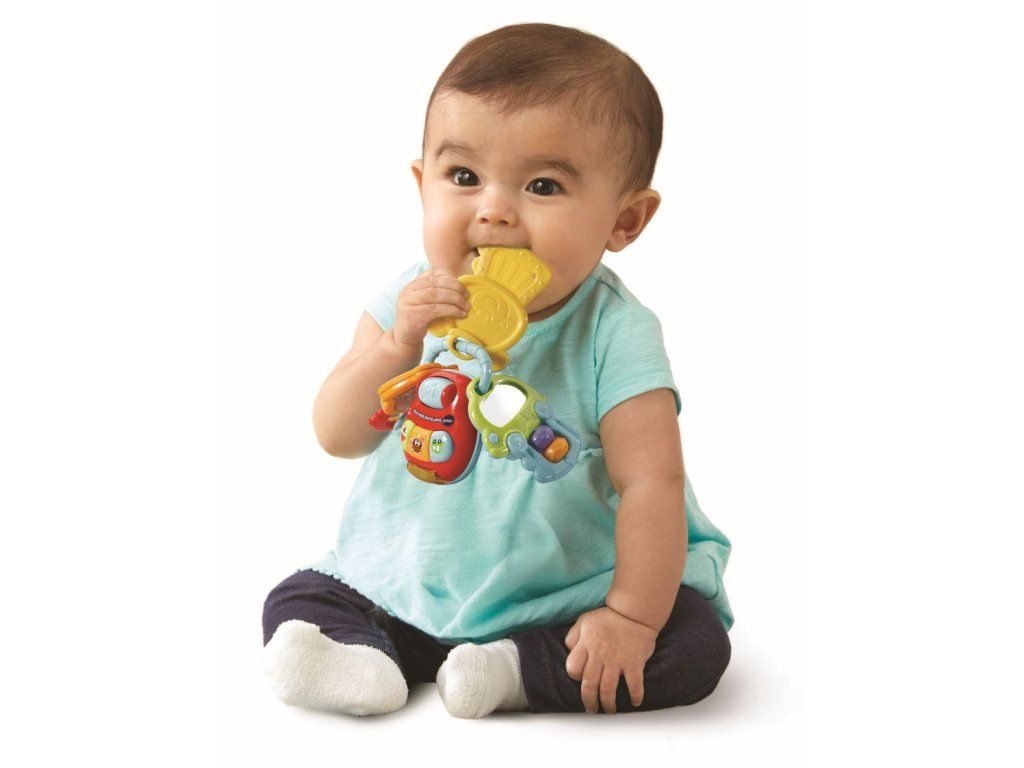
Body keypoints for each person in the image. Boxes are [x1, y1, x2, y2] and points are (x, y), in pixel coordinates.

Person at [262, 22, 734, 718]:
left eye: (543, 185)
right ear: (423, 185)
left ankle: (514, 670)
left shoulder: (616, 332)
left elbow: (651, 484)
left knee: (692, 644)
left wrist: (630, 617)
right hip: (405, 582)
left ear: (625, 220)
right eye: (464, 177)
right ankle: (361, 652)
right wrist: (397, 345)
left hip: (566, 594)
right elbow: (338, 434)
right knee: (300, 597)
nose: (494, 211)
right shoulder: (407, 305)